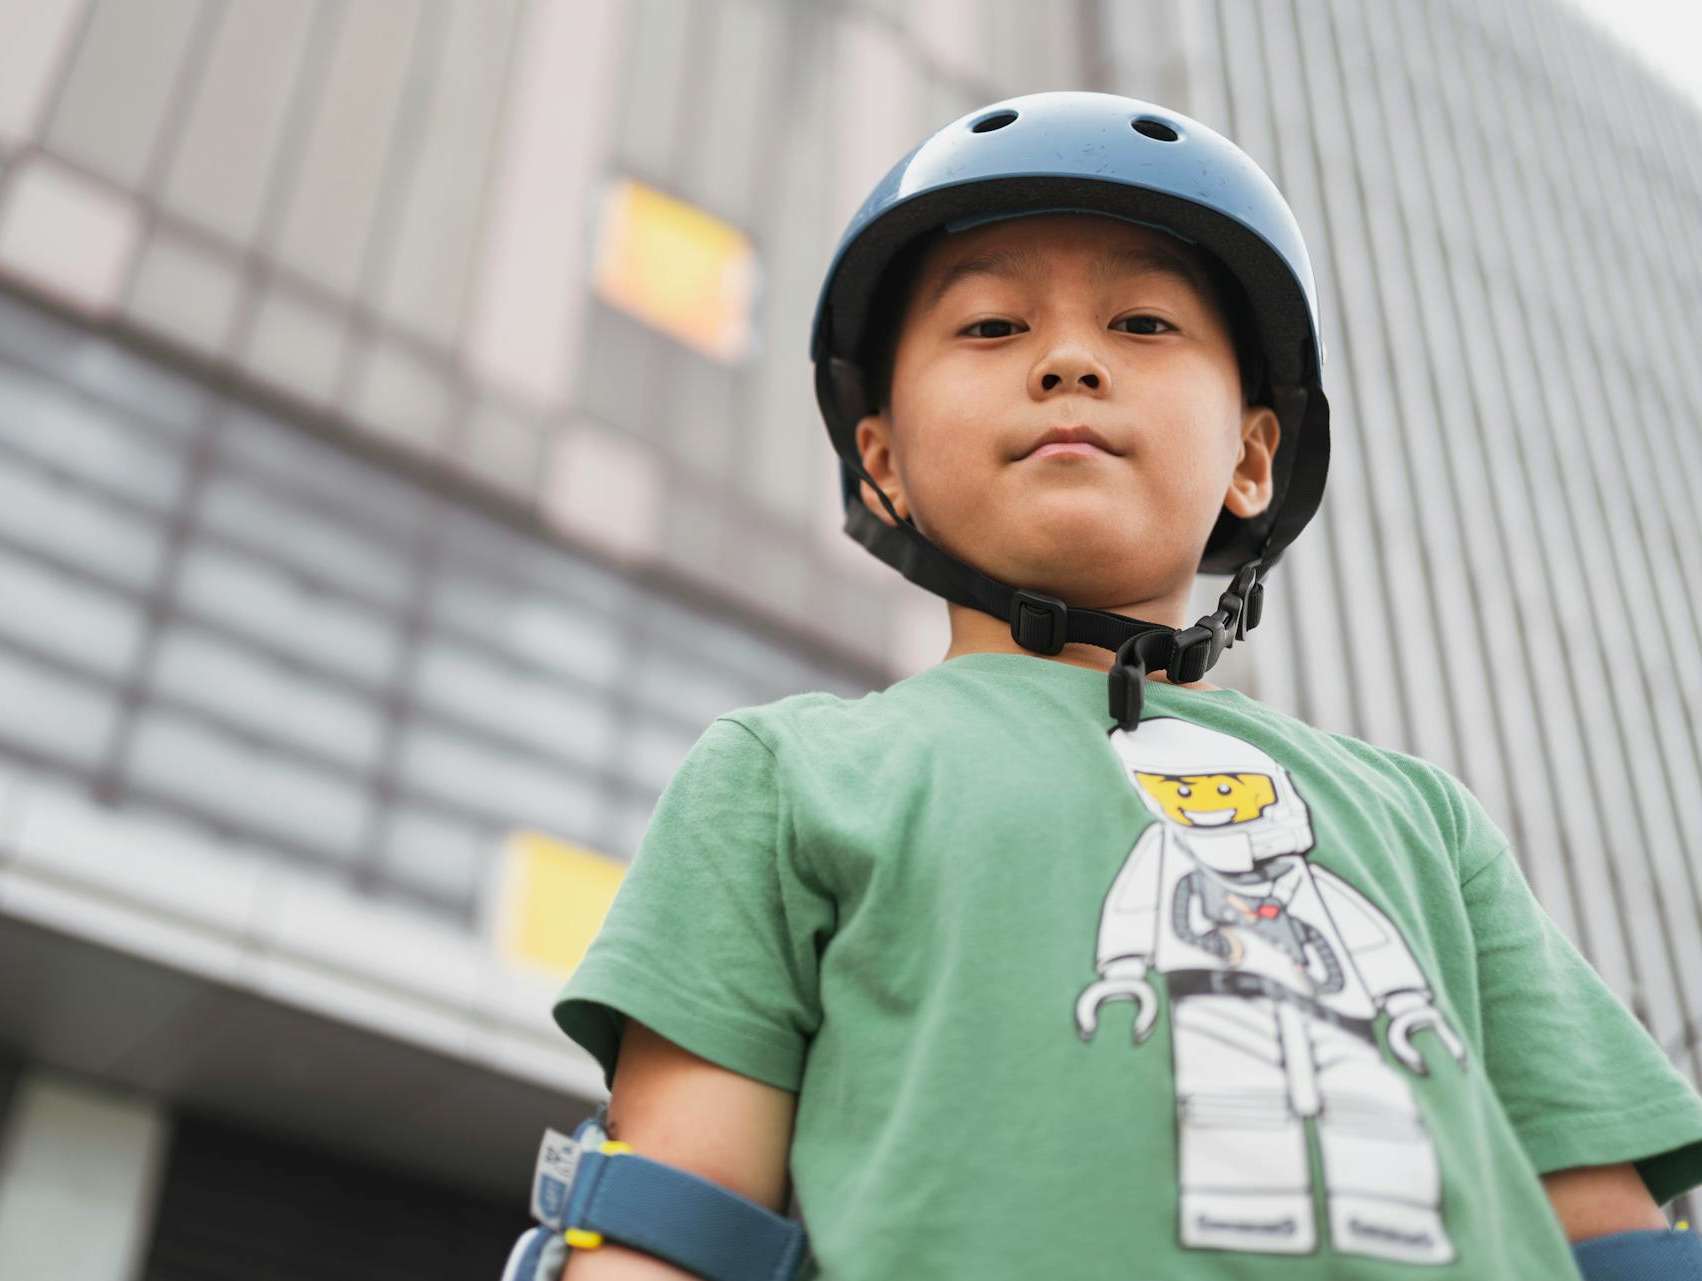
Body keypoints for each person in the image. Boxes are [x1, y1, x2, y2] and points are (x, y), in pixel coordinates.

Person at [539, 91, 1702, 1279]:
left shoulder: (1425, 819)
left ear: (1253, 459)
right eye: (991, 326)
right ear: (881, 461)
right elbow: (677, 1215)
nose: (1071, 360)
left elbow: (1615, 1244)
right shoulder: (787, 778)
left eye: (1144, 323)